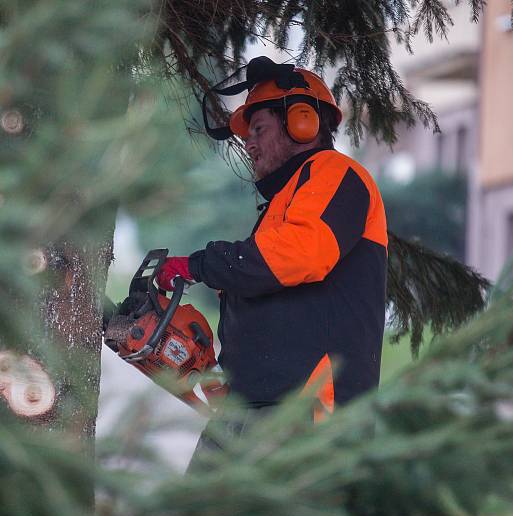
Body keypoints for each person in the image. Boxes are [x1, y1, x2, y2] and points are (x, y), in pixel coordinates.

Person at [155, 57, 388, 465]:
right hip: (249, 409)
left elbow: (298, 255)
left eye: (258, 129)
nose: (249, 144)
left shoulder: (338, 175)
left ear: (302, 123)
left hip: (305, 411)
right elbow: (266, 283)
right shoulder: (286, 202)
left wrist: (200, 265)